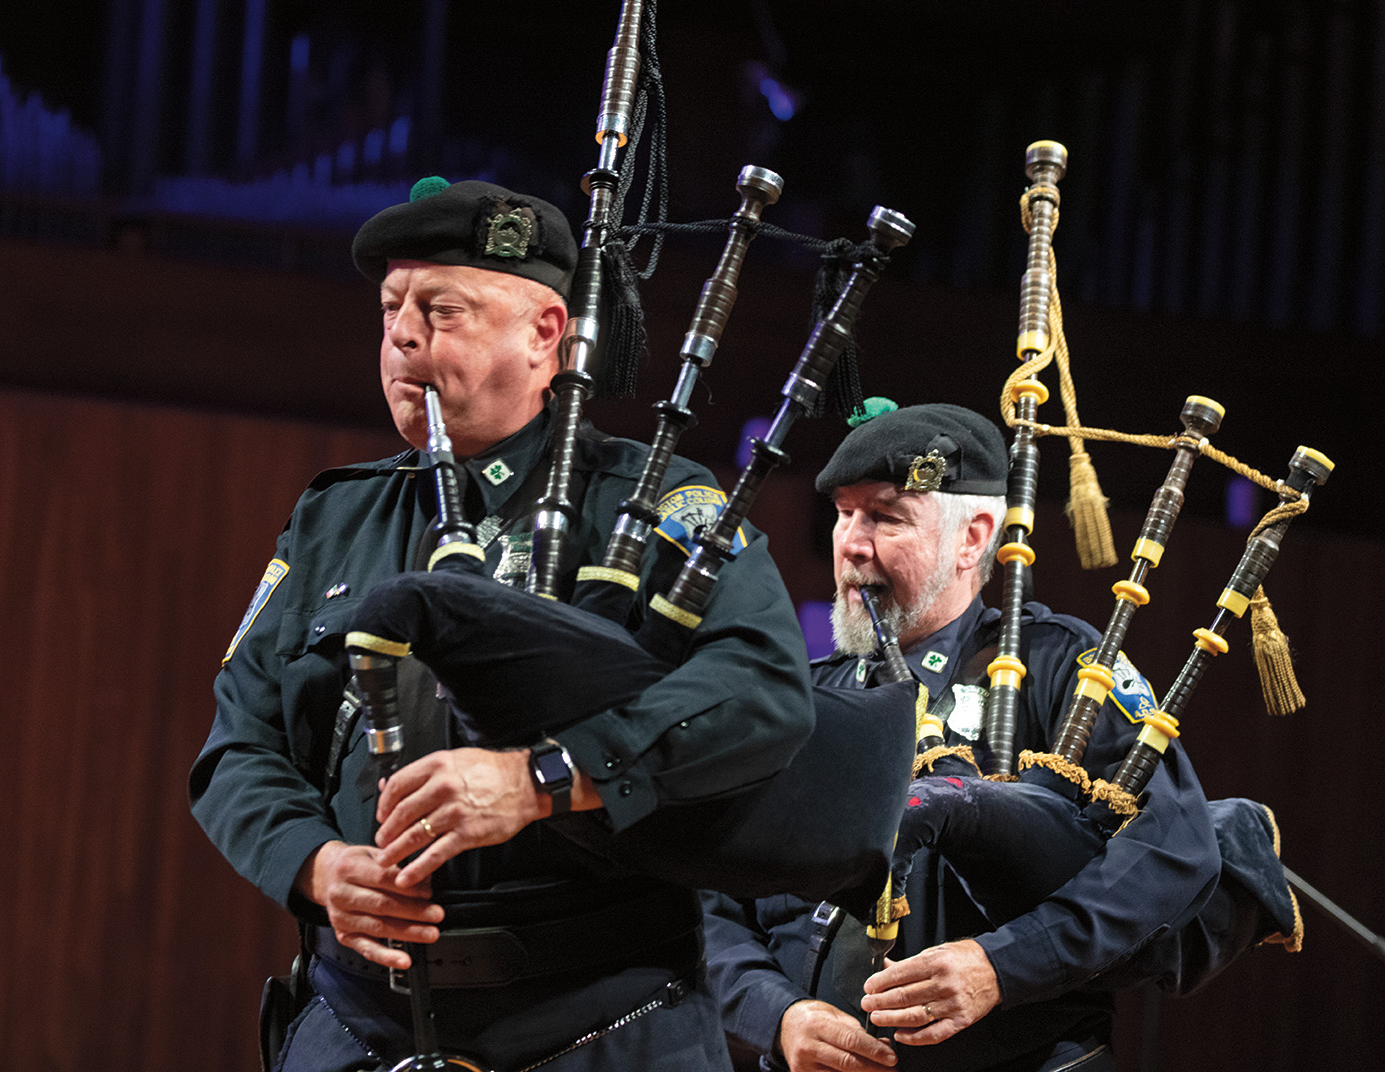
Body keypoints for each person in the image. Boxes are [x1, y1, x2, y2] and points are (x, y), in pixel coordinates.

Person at [189, 178, 814, 1072]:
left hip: (605, 1023)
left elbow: (765, 698)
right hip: (363, 1021)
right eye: (392, 309)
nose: (403, 334)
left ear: (545, 334)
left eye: (441, 309)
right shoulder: (333, 520)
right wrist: (316, 863)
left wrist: (542, 779)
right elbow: (237, 745)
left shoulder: (656, 504)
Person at [703, 401, 1221, 1072]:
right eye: (844, 513)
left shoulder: (1059, 666)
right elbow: (708, 897)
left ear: (975, 537)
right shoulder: (801, 701)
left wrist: (999, 967)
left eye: (886, 517)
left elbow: (1172, 853)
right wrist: (776, 1013)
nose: (852, 544)